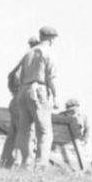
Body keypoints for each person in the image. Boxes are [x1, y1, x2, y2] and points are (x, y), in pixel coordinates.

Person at [13, 25, 59, 168]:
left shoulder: (28, 53)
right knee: (44, 131)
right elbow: (51, 77)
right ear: (51, 39)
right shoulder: (48, 52)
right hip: (39, 90)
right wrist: (56, 97)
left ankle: (25, 163)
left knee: (24, 130)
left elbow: (16, 75)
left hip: (23, 90)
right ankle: (40, 164)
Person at [0, 35, 40, 168]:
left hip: (16, 99)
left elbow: (11, 75)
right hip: (25, 98)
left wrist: (15, 91)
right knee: (26, 132)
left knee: (14, 132)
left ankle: (6, 163)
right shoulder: (35, 60)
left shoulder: (24, 59)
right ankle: (19, 162)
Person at [58, 98, 90, 170]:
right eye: (70, 109)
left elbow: (87, 128)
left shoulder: (83, 116)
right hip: (64, 140)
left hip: (78, 140)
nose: (73, 111)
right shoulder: (61, 115)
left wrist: (85, 138)